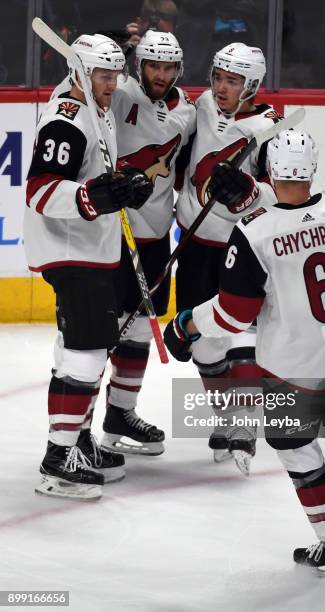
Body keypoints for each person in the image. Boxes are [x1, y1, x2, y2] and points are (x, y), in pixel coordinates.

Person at [164, 129, 325, 582]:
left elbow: (232, 314)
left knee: (295, 447)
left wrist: (186, 323)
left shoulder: (253, 232)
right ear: (312, 169)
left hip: (293, 370)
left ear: (267, 172)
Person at [24, 34, 153, 500]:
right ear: (79, 70)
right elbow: (40, 191)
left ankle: (76, 440)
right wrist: (92, 197)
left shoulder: (96, 108)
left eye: (116, 73)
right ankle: (58, 460)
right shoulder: (67, 119)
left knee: (80, 349)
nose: (113, 83)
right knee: (87, 351)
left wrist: (123, 185)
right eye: (103, 74)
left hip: (89, 246)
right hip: (69, 248)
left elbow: (93, 179)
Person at [175, 42, 280, 474]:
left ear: (251, 85)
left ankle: (244, 424)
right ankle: (226, 418)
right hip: (196, 243)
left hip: (242, 249)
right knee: (204, 341)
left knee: (240, 333)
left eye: (232, 81)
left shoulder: (271, 127)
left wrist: (252, 192)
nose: (220, 87)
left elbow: (286, 197)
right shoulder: (200, 104)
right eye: (218, 77)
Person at [96, 29, 196, 456]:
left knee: (137, 331)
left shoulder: (188, 111)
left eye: (168, 66)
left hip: (156, 236)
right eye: (153, 64)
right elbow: (89, 81)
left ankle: (121, 411)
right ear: (139, 65)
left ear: (178, 69)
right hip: (111, 233)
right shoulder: (119, 95)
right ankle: (79, 428)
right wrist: (113, 41)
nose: (160, 73)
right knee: (97, 333)